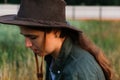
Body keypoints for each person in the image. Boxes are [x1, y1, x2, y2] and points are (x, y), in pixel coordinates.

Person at [0, 0, 113, 80]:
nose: (27, 44)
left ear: (56, 31)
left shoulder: (78, 72)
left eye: (33, 37)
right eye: (25, 36)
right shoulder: (53, 57)